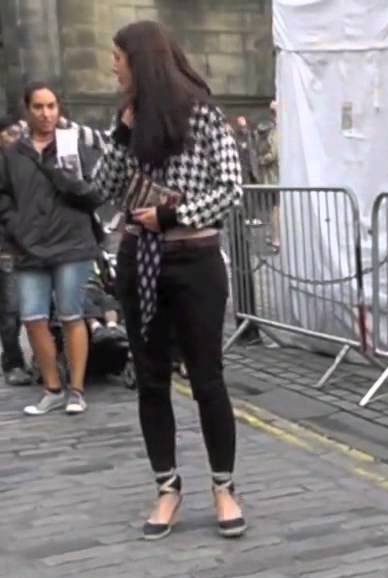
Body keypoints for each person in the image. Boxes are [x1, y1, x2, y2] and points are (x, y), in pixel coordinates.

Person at [92, 20, 246, 540]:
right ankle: (168, 489)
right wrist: (121, 134)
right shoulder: (127, 119)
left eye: (118, 56)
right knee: (151, 379)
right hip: (140, 260)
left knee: (207, 379)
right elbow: (104, 188)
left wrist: (173, 216)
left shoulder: (202, 113)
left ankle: (224, 487)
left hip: (194, 262)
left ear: (141, 60)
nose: (112, 66)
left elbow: (231, 187)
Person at [0, 83, 106, 415]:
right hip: (29, 245)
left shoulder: (73, 147)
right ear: (26, 110)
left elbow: (96, 193)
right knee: (33, 318)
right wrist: (15, 225)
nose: (46, 114)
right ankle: (52, 388)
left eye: (51, 106)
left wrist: (66, 179)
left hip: (72, 242)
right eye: (38, 107)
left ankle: (76, 389)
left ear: (59, 109)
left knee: (71, 314)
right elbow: (3, 195)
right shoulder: (13, 153)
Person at [0, 114, 33, 387]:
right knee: (11, 310)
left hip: (31, 244)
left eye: (18, 132)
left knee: (29, 308)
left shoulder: (25, 162)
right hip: (7, 247)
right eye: (10, 133)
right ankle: (13, 361)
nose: (17, 138)